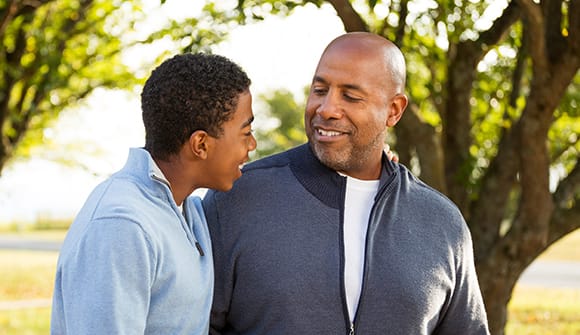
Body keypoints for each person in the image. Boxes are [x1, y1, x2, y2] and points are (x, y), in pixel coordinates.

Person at [203, 32, 490, 334]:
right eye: (319, 90)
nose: (326, 108)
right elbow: (192, 323)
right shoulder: (238, 196)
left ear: (394, 110)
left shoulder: (441, 222)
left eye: (350, 96)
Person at [51, 53, 257, 334]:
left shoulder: (188, 210)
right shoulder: (122, 225)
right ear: (201, 145)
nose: (253, 144)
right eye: (246, 132)